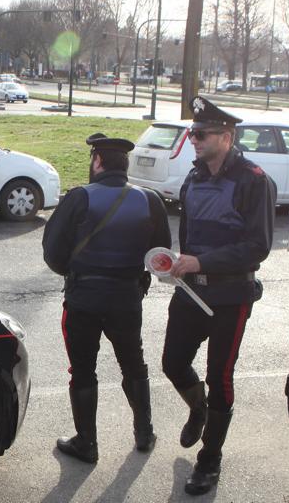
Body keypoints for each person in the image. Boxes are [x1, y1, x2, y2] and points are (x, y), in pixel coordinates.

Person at [163, 96, 275, 495]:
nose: (193, 138)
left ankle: (210, 459)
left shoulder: (254, 180)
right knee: (173, 364)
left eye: (201, 133)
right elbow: (189, 236)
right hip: (190, 292)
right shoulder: (194, 177)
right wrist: (178, 264)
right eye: (193, 132)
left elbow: (258, 246)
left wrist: (200, 262)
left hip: (231, 297)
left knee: (219, 377)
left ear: (226, 137)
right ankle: (198, 409)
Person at [42, 133, 172, 463]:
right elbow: (159, 255)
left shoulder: (79, 197)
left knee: (83, 370)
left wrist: (75, 273)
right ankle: (144, 433)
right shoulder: (150, 200)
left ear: (97, 161)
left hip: (84, 299)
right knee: (133, 365)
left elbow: (53, 252)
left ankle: (87, 443)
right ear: (124, 164)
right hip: (126, 300)